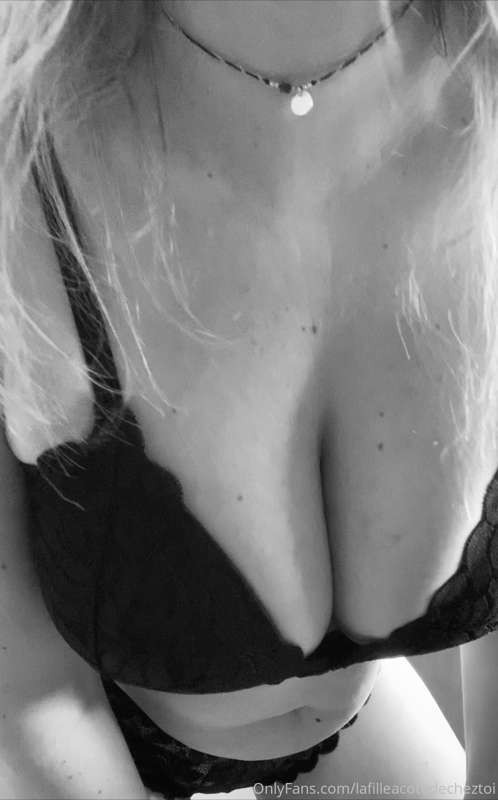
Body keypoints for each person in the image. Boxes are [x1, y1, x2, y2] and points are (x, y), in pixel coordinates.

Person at [0, 1, 497, 798]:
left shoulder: (483, 86)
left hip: (343, 724)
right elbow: (29, 701)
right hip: (83, 739)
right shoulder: (25, 141)